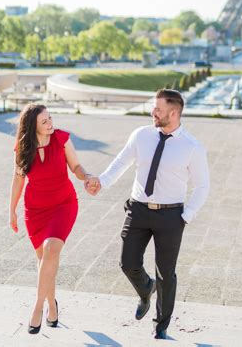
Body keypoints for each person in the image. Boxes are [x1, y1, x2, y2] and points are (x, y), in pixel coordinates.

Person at [85, 88, 210, 340]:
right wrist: (102, 181)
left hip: (171, 216)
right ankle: (146, 289)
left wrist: (187, 216)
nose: (153, 112)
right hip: (139, 209)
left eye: (158, 109)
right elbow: (121, 162)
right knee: (127, 262)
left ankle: (161, 324)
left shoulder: (191, 146)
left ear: (173, 113)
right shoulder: (141, 135)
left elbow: (202, 185)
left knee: (166, 272)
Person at [9, 103, 92, 334]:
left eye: (50, 118)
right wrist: (11, 210)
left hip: (63, 204)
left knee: (51, 249)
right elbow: (18, 180)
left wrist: (87, 176)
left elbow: (75, 166)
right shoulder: (23, 148)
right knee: (46, 260)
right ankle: (52, 305)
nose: (50, 124)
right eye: (44, 121)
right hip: (35, 210)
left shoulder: (62, 139)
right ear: (32, 125)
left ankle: (37, 308)